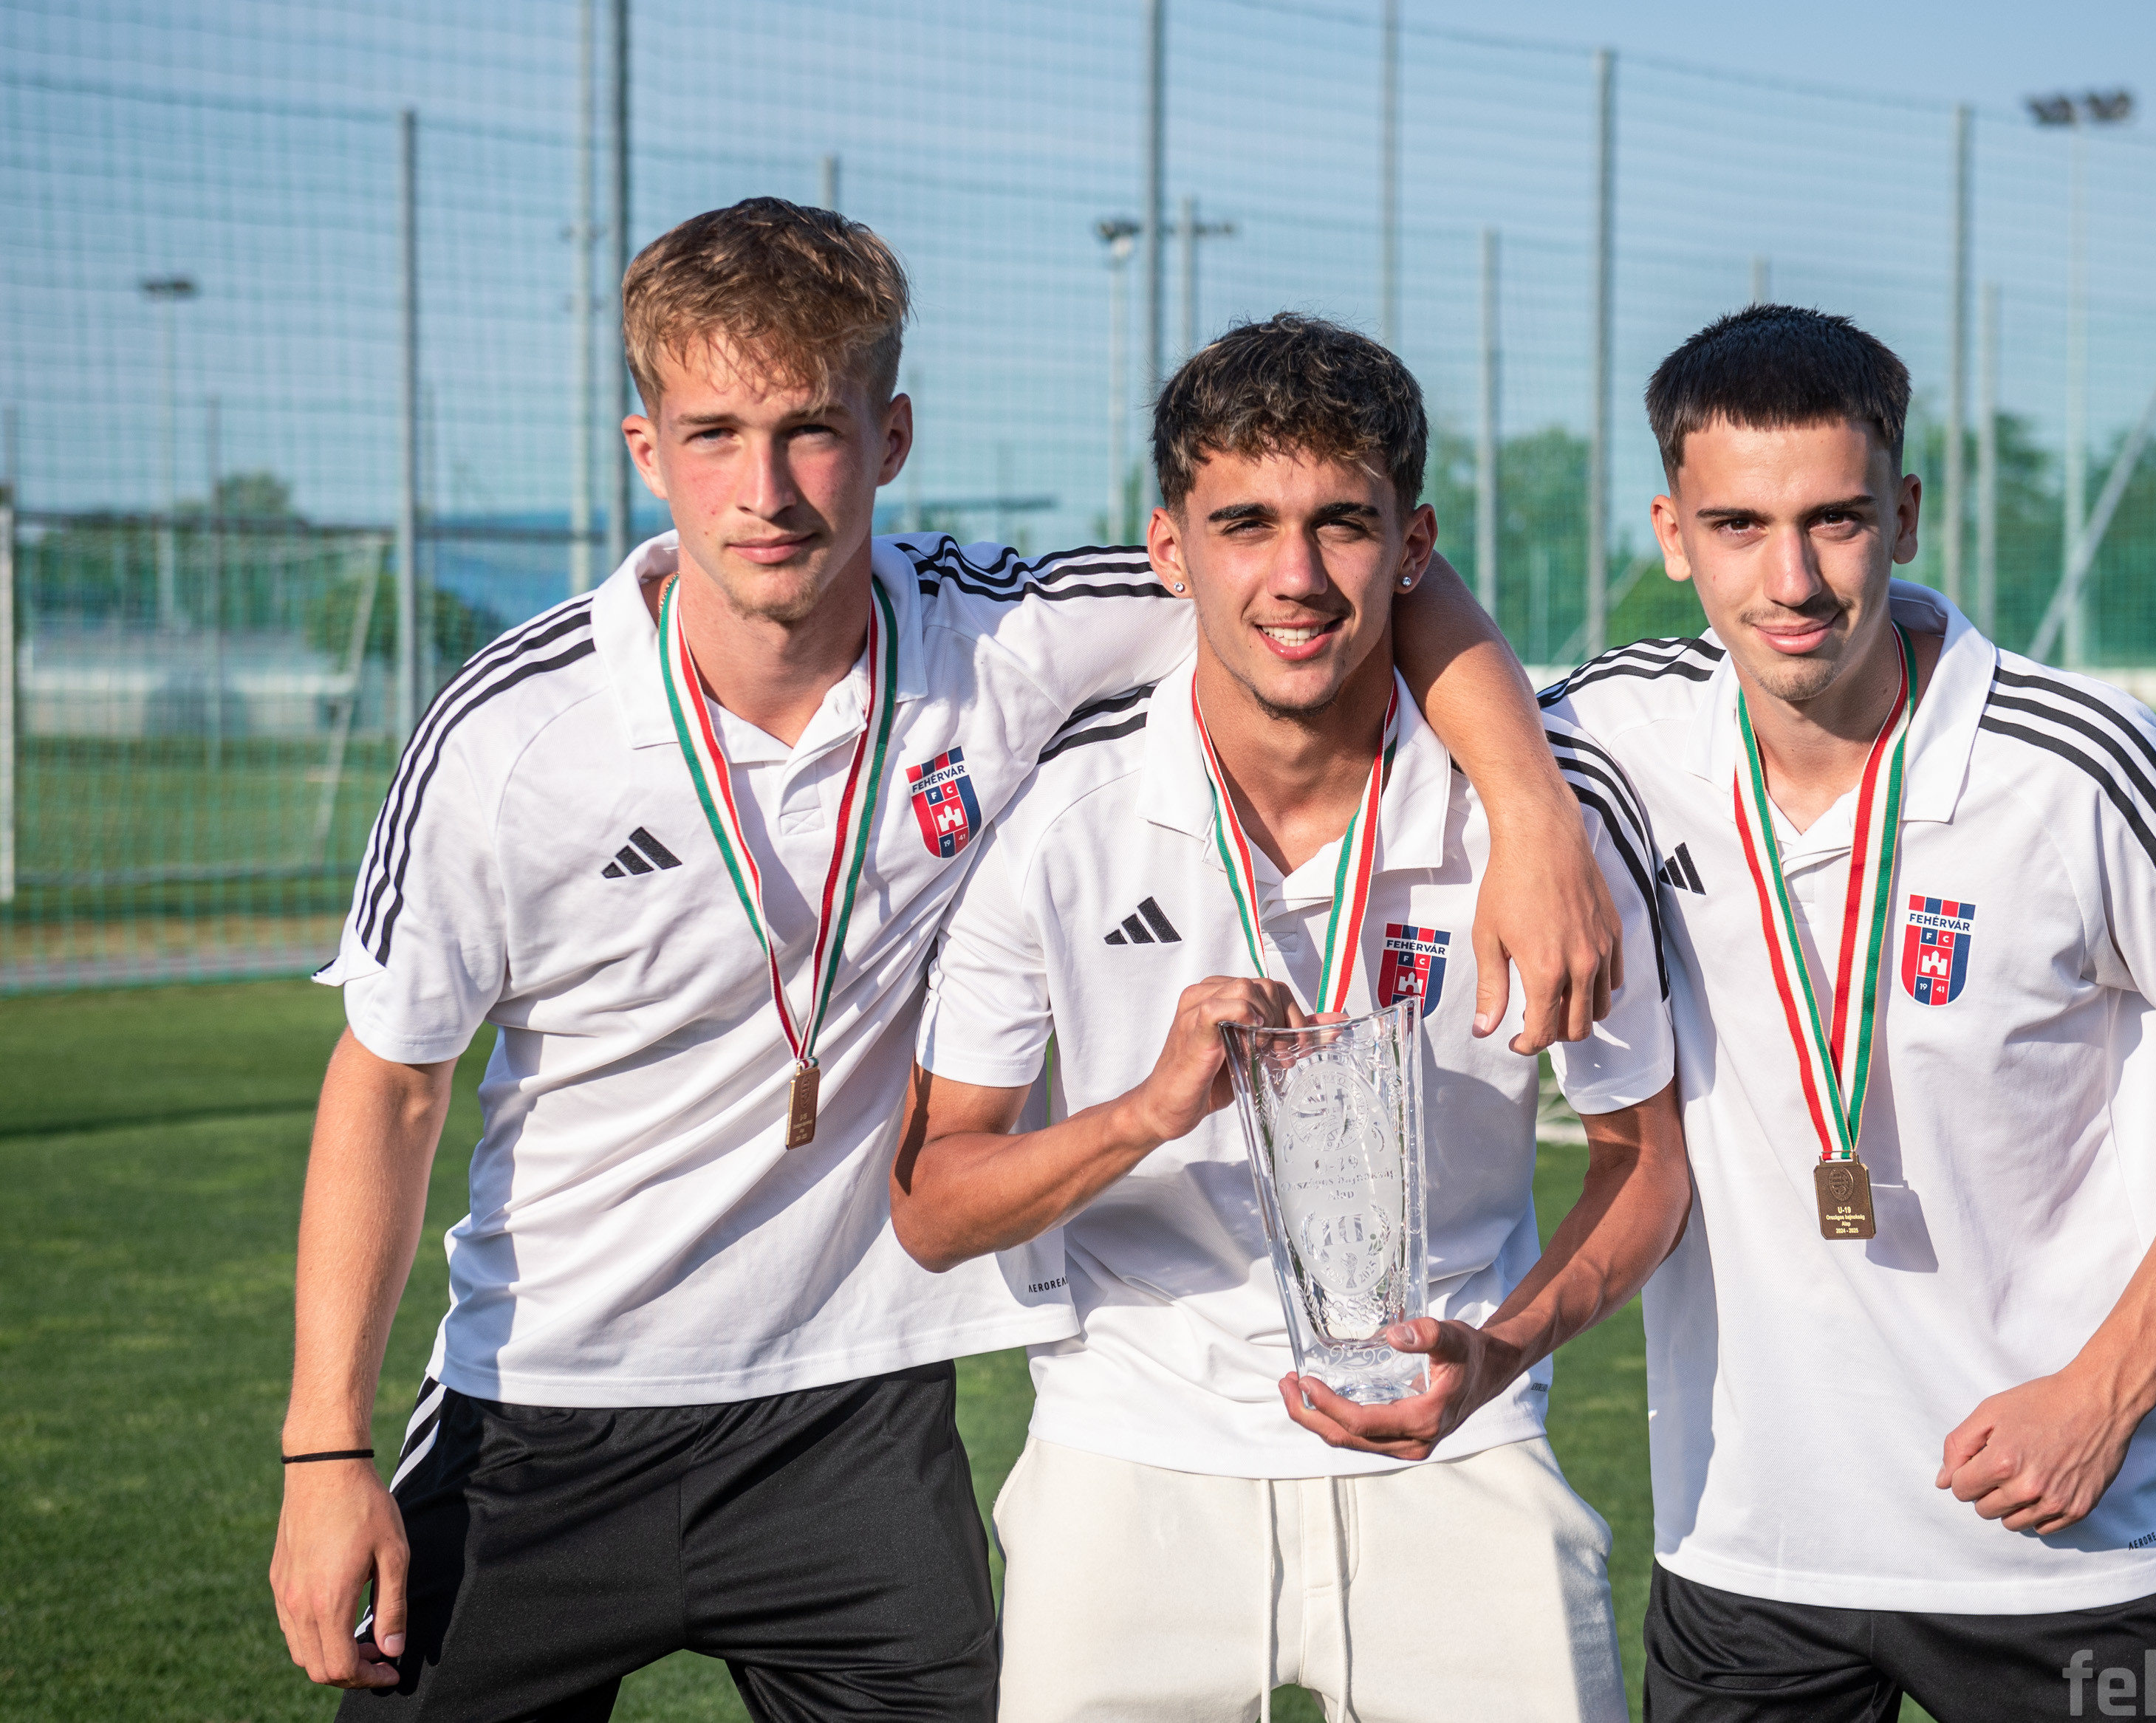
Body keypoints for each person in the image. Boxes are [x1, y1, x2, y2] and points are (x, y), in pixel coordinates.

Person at [266, 199, 1626, 1722]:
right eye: (714, 435)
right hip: (548, 1393)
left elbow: (1352, 568)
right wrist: (324, 1450)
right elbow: (390, 1088)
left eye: (811, 430)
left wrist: (1531, 813)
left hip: (855, 1406)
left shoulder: (1014, 637)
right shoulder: (511, 732)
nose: (766, 491)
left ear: (891, 436)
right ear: (646, 450)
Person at [1541, 304, 2156, 1722]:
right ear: (1671, 533)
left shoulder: (2077, 761)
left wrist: (2105, 1393)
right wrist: (1524, 827)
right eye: (1738, 526)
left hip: (2055, 1542)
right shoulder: (1610, 732)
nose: (1792, 578)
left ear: (1904, 515)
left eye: (1836, 520)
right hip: (1746, 1540)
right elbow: (1385, 616)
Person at [892, 313, 1691, 1723]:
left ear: (1413, 543)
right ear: (1168, 548)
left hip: (1458, 1439)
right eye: (1246, 524)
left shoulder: (1541, 822)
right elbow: (933, 1206)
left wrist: (1498, 1355)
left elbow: (1647, 1164)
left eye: (1343, 523)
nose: (1298, 575)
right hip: (1131, 1448)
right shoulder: (1063, 815)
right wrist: (1144, 1112)